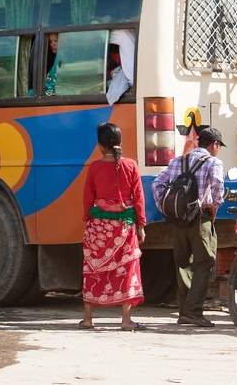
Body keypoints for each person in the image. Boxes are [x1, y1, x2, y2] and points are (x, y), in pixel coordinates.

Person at [151, 126, 225, 328]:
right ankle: (193, 312)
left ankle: (184, 311)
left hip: (177, 220)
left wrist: (165, 206)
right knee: (205, 262)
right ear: (214, 144)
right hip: (200, 218)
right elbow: (217, 183)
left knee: (183, 264)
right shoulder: (213, 162)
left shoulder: (178, 161)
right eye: (219, 146)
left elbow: (157, 183)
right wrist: (215, 205)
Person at [79, 122, 146, 330]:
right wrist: (141, 224)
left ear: (101, 146)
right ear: (119, 142)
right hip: (124, 228)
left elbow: (87, 198)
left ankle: (88, 319)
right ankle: (126, 320)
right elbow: (139, 198)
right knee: (126, 270)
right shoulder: (131, 165)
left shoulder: (95, 167)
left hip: (98, 227)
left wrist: (88, 221)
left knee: (92, 269)